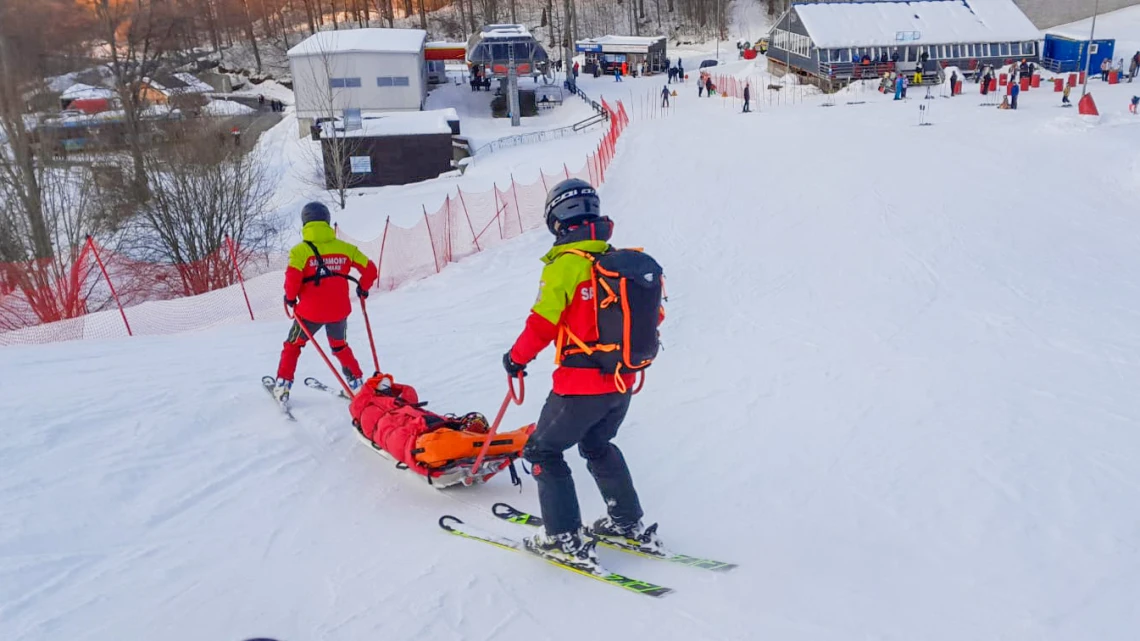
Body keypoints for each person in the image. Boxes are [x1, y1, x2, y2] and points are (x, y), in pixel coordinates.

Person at [504, 178, 662, 565]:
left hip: (579, 386)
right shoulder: (617, 263)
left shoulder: (567, 264)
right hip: (621, 383)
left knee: (542, 450)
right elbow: (654, 316)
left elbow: (542, 323)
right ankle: (627, 523)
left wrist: (516, 358)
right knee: (596, 446)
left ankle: (562, 538)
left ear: (556, 219)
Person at [272, 202, 378, 404]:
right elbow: (370, 270)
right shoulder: (346, 248)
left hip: (310, 313)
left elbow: (292, 281)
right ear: (327, 221)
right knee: (340, 346)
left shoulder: (299, 252)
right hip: (339, 311)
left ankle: (283, 385)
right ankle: (356, 384)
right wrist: (362, 288)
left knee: (293, 345)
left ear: (305, 222)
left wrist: (290, 298)